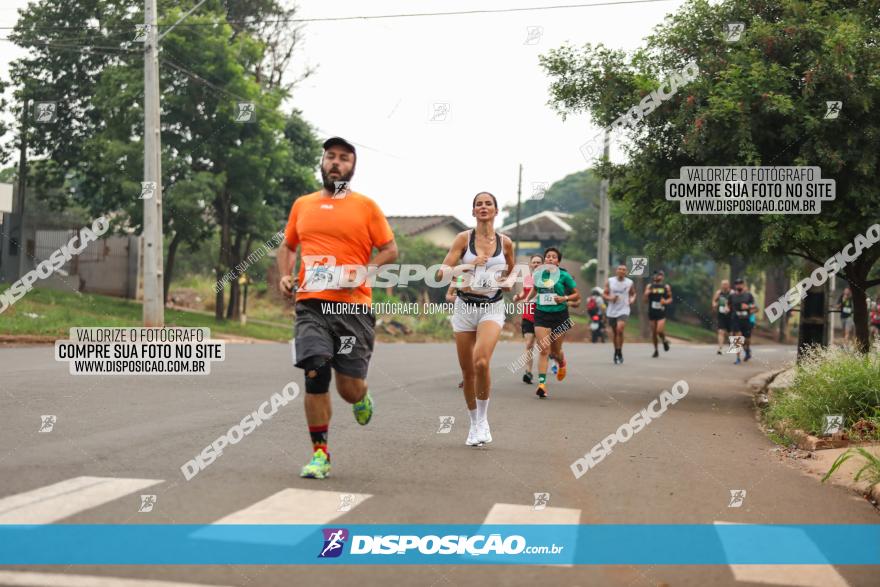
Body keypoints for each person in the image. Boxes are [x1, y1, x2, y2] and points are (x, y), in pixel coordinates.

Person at [278, 137, 398, 479]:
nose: (336, 163)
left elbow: (390, 250)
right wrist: (286, 276)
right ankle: (320, 455)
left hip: (353, 308)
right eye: (331, 156)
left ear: (353, 167)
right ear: (322, 162)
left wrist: (362, 272)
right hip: (311, 305)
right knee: (314, 370)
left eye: (344, 158)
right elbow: (288, 246)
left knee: (348, 387)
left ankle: (361, 396)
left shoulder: (366, 207)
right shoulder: (302, 204)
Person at [439, 192, 514, 446]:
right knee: (468, 371)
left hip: (491, 308)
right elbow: (442, 273)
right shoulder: (463, 239)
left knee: (481, 362)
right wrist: (468, 267)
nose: (483, 207)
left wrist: (507, 282)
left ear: (495, 210)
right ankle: (474, 424)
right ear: (473, 212)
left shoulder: (506, 243)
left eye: (488, 204)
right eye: (478, 204)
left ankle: (483, 420)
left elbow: (512, 272)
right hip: (464, 308)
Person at [525, 247, 580, 398]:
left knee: (555, 352)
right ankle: (542, 384)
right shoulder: (538, 274)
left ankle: (561, 362)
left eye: (553, 257)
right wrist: (527, 299)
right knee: (543, 349)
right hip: (541, 314)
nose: (550, 259)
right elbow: (535, 290)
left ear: (558, 261)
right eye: (548, 256)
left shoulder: (564, 275)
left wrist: (565, 298)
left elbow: (577, 294)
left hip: (560, 315)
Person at [513, 254, 544, 384]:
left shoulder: (548, 278)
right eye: (534, 262)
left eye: (538, 262)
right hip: (528, 314)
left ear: (542, 264)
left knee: (544, 346)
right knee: (529, 344)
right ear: (531, 264)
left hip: (543, 314)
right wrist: (518, 297)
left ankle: (551, 363)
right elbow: (525, 293)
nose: (536, 264)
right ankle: (529, 372)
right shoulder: (527, 279)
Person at [604, 264, 636, 364]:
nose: (621, 271)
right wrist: (610, 298)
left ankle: (620, 351)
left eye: (624, 270)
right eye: (620, 269)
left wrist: (632, 299)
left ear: (626, 272)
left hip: (624, 309)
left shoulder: (629, 282)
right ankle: (616, 352)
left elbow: (633, 293)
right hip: (612, 310)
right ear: (616, 271)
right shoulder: (610, 281)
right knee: (615, 333)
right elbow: (604, 294)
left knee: (620, 329)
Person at [644, 270, 672, 357]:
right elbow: (645, 301)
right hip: (652, 312)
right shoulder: (649, 286)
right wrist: (646, 294)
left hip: (661, 312)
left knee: (659, 330)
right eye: (655, 274)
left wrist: (665, 302)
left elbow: (670, 299)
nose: (657, 276)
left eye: (660, 275)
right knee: (654, 333)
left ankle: (664, 340)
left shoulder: (666, 287)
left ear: (662, 277)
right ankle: (656, 350)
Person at [729, 278, 756, 364]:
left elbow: (754, 307)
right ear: (735, 285)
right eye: (737, 284)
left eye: (740, 283)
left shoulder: (748, 295)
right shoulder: (732, 296)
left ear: (743, 285)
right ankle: (737, 358)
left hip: (746, 319)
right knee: (738, 337)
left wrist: (748, 307)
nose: (739, 285)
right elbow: (728, 305)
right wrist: (726, 308)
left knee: (747, 340)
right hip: (736, 319)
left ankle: (747, 350)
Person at [712, 280, 732, 355]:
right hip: (721, 314)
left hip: (731, 315)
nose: (724, 286)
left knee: (732, 332)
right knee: (721, 331)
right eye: (723, 284)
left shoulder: (732, 293)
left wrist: (730, 307)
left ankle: (735, 347)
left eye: (726, 284)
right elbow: (714, 301)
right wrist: (714, 305)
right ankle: (720, 348)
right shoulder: (719, 293)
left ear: (729, 285)